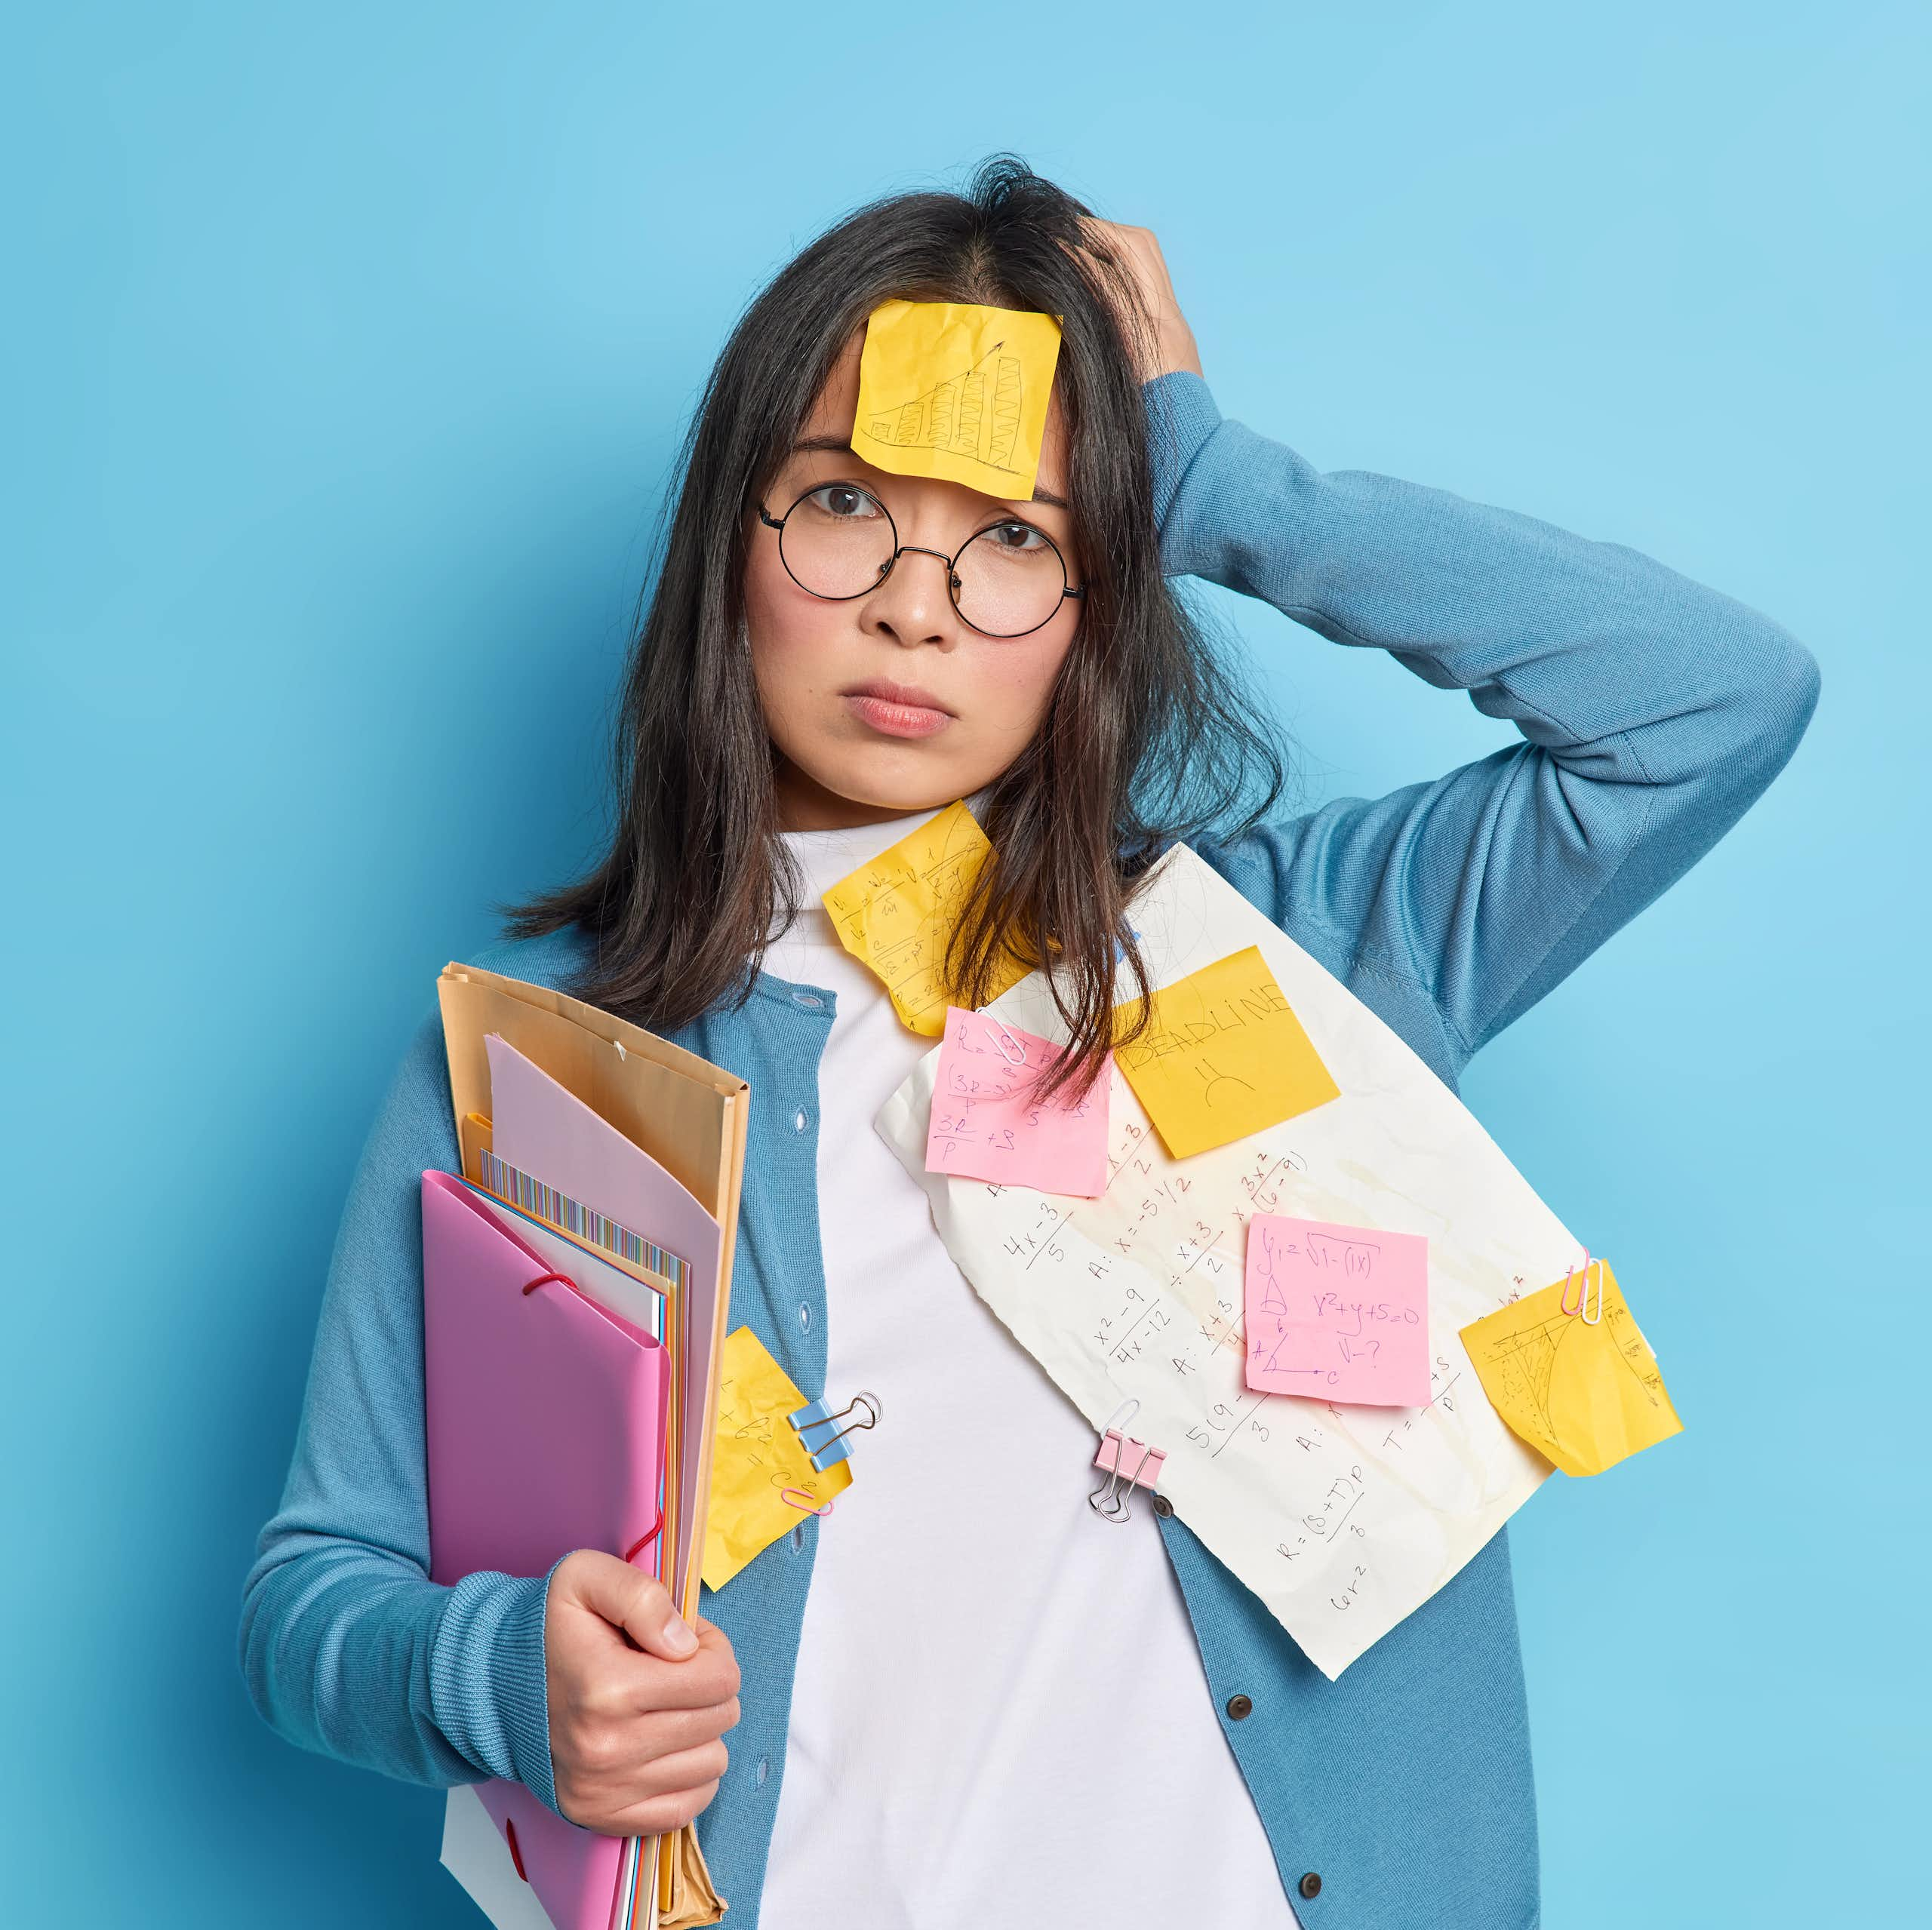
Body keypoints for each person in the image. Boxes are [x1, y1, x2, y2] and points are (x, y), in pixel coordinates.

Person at [240, 158, 1819, 1928]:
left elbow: (1708, 700)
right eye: (842, 504)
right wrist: (501, 1678)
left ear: (1096, 597)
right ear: (727, 548)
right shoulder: (546, 1068)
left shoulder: (1300, 960)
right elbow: (319, 1589)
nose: (918, 606)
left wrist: (1217, 487)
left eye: (1016, 536)